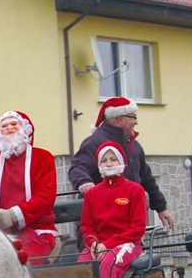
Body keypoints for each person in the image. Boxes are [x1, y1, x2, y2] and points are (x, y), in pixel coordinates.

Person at [68, 97, 175, 230]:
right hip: (99, 226)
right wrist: (83, 182)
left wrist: (161, 207)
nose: (136, 122)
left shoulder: (135, 146)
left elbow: (147, 179)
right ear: (121, 119)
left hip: (129, 224)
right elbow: (77, 167)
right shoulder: (95, 142)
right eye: (133, 117)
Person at [0, 111, 59, 264]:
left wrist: (13, 215)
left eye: (14, 124)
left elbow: (46, 197)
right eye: (4, 126)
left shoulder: (43, 158)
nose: (9, 128)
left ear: (25, 129)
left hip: (35, 229)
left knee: (24, 261)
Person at [78, 142, 147, 278]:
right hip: (98, 245)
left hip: (126, 243)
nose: (109, 164)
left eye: (113, 159)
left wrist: (107, 245)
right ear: (99, 165)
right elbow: (86, 225)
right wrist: (93, 243)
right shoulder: (92, 194)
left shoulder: (134, 190)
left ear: (122, 161)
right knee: (82, 266)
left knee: (109, 263)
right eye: (104, 160)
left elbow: (138, 228)